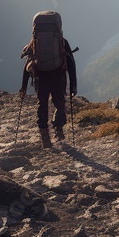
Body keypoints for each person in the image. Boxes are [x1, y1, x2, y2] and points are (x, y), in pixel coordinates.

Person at [19, 11, 77, 149]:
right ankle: (59, 131)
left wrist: (23, 87)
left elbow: (28, 63)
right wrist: (74, 85)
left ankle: (44, 137)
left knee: (42, 103)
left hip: (41, 77)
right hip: (58, 76)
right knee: (59, 103)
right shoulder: (62, 42)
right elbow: (70, 62)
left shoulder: (33, 43)